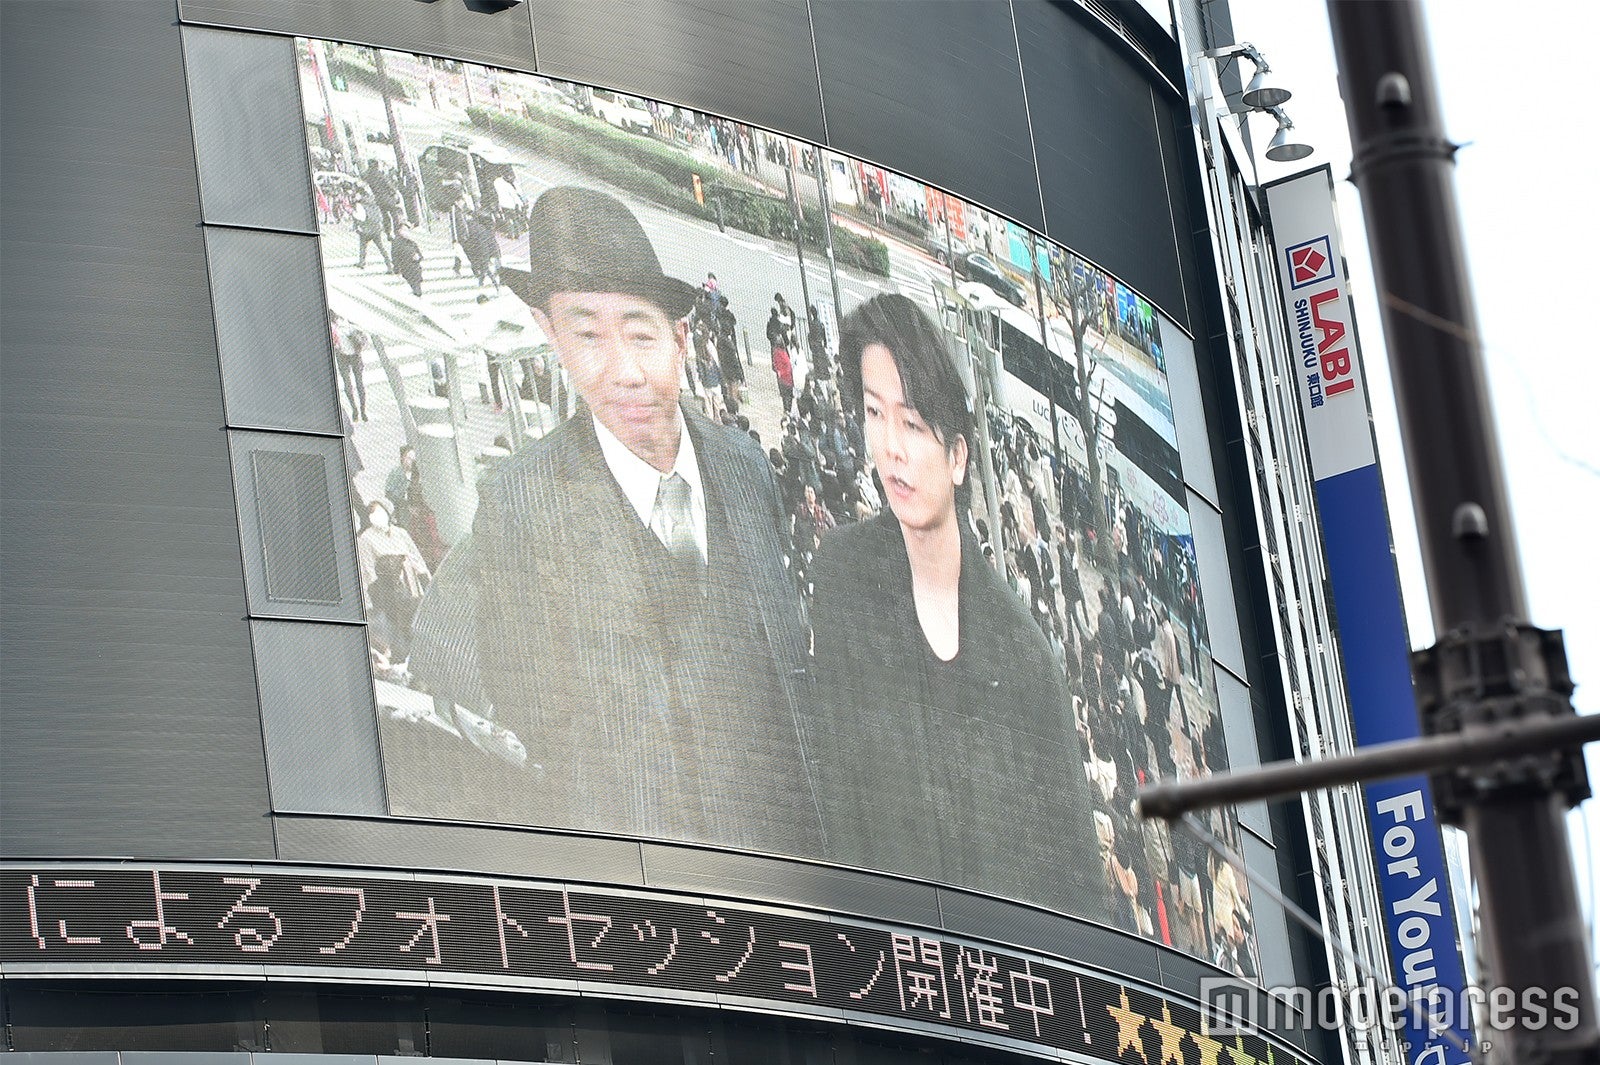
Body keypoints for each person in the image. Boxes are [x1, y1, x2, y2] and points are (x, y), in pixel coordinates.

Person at [461, 186, 822, 852]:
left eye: (639, 332)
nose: (623, 371)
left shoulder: (745, 470)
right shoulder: (519, 506)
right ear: (551, 335)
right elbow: (531, 709)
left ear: (681, 337)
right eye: (587, 334)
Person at [808, 293, 1106, 918]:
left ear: (960, 456)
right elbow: (833, 800)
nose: (889, 448)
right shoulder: (841, 578)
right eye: (872, 413)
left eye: (913, 424)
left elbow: (1072, 887)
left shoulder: (1024, 660)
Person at [392, 223, 424, 297]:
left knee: (417, 284)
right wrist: (397, 270)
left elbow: (420, 256)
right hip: (406, 269)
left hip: (415, 269)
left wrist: (418, 257)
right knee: (414, 286)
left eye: (407, 230)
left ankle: (417, 292)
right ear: (399, 231)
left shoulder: (412, 243)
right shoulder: (396, 243)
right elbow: (395, 257)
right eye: (404, 230)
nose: (406, 232)